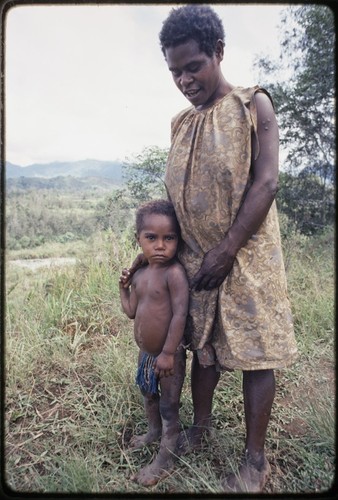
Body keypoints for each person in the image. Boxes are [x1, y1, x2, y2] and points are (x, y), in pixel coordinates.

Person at [150, 4, 299, 492]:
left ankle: (255, 463)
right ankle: (199, 428)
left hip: (245, 257)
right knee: (203, 349)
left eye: (193, 66)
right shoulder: (180, 123)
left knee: (257, 354)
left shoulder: (252, 104)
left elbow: (267, 181)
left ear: (218, 52)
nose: (185, 80)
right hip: (196, 259)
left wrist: (229, 247)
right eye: (175, 71)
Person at [119, 199, 189, 486]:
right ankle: (153, 432)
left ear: (177, 240)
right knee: (149, 396)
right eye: (151, 238)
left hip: (168, 357)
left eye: (168, 238)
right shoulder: (141, 275)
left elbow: (180, 315)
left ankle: (165, 459)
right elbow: (131, 311)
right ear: (139, 240)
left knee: (169, 407)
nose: (160, 245)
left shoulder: (174, 274)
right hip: (146, 355)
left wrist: (169, 353)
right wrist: (122, 288)